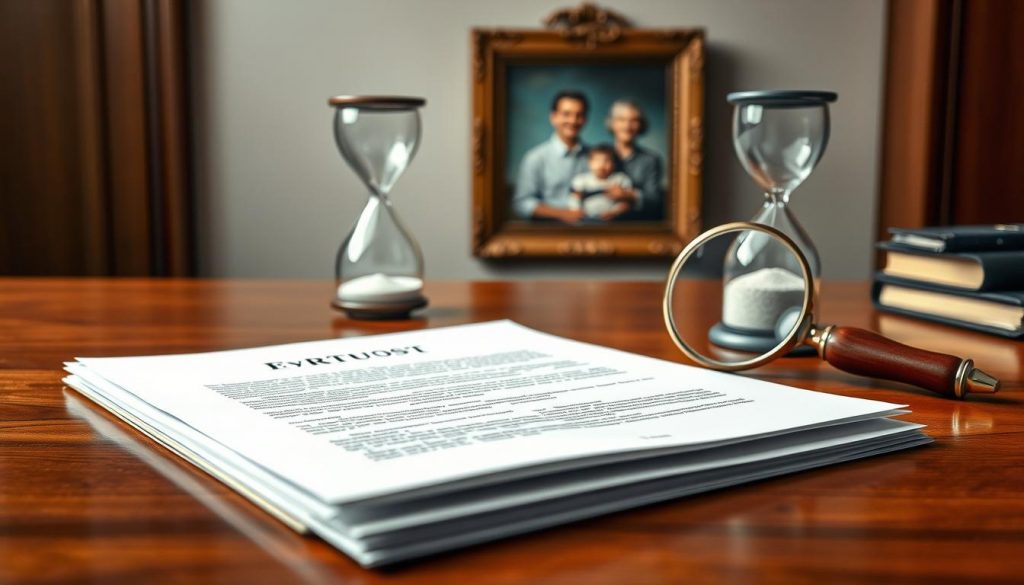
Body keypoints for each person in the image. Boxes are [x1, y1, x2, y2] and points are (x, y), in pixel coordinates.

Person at [512, 90, 590, 223]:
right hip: (549, 235)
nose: (573, 120)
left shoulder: (596, 156)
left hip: (593, 233)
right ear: (553, 117)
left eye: (579, 115)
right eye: (566, 114)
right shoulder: (535, 157)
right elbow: (523, 203)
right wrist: (562, 214)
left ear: (585, 120)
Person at [606, 99, 663, 220]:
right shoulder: (597, 155)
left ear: (641, 125)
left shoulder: (651, 160)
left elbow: (655, 201)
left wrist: (629, 195)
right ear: (612, 123)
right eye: (621, 120)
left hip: (638, 226)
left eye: (634, 121)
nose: (627, 126)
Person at [568, 145, 634, 221]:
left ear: (614, 164)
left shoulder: (620, 179)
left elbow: (627, 204)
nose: (601, 165)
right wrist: (577, 211)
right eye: (597, 160)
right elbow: (574, 199)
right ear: (589, 162)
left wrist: (615, 212)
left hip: (613, 221)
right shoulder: (581, 180)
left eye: (606, 161)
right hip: (585, 220)